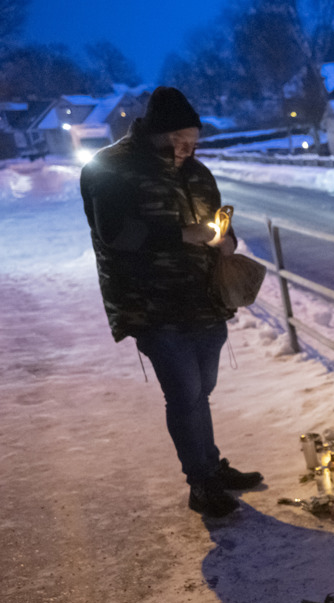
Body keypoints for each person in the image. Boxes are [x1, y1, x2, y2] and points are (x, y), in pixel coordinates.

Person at [80, 86, 263, 518]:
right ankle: (201, 483)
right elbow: (116, 235)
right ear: (156, 134)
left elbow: (219, 219)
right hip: (151, 302)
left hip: (204, 297)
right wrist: (184, 235)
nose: (188, 149)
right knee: (184, 394)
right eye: (180, 141)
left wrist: (226, 241)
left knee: (202, 390)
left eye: (193, 141)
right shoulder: (110, 169)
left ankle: (211, 467)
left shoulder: (196, 172)